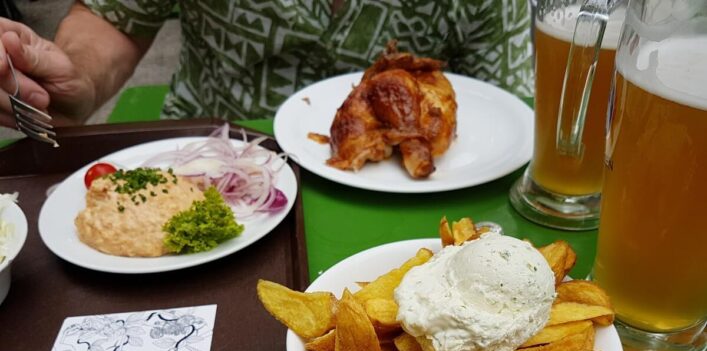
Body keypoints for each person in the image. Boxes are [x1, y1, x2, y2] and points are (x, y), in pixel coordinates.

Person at [0, 0, 533, 128]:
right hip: (212, 153)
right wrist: (75, 77)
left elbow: (504, 113)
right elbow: (114, 21)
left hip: (407, 184)